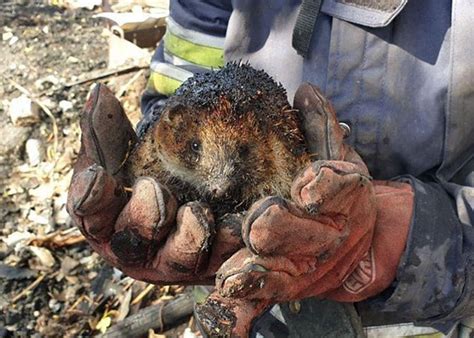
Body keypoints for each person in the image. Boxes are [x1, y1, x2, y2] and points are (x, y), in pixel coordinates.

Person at [67, 0, 474, 336]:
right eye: (192, 149)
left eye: (239, 155)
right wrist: (144, 169)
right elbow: (180, 85)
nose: (220, 183)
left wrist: (411, 238)